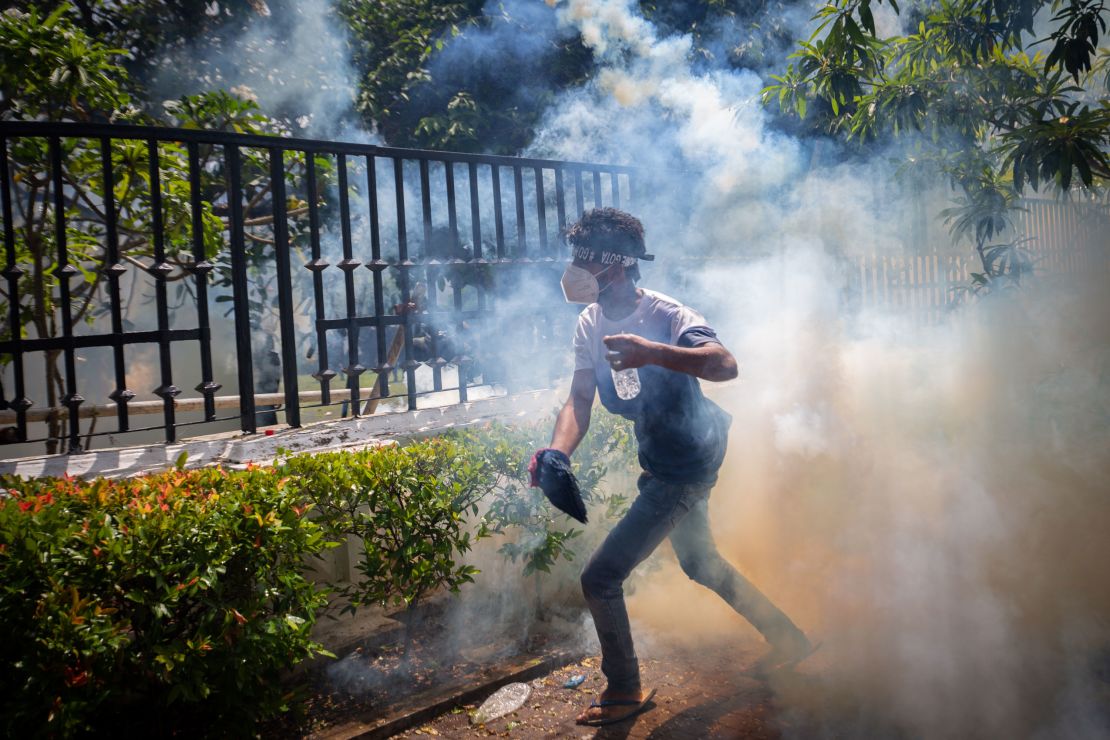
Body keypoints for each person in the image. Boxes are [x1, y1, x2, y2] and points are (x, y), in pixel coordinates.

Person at [532, 208, 814, 727]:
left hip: (689, 459)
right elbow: (579, 399)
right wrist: (557, 452)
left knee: (601, 577)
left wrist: (652, 354)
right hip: (662, 457)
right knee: (701, 564)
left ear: (615, 265)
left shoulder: (668, 315)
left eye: (582, 260)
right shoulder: (589, 322)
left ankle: (623, 688)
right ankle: (788, 637)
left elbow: (725, 364)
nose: (572, 269)